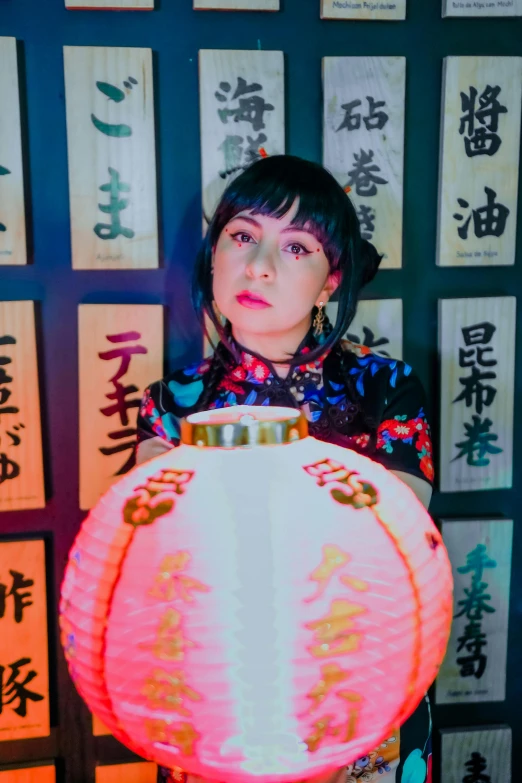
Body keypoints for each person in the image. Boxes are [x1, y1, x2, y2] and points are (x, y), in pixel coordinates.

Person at [136, 154, 434, 783]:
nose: (260, 266)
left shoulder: (387, 388)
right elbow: (154, 548)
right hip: (218, 691)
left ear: (331, 281)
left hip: (357, 680)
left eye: (297, 248)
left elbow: (398, 530)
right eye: (243, 236)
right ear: (214, 255)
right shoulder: (170, 404)